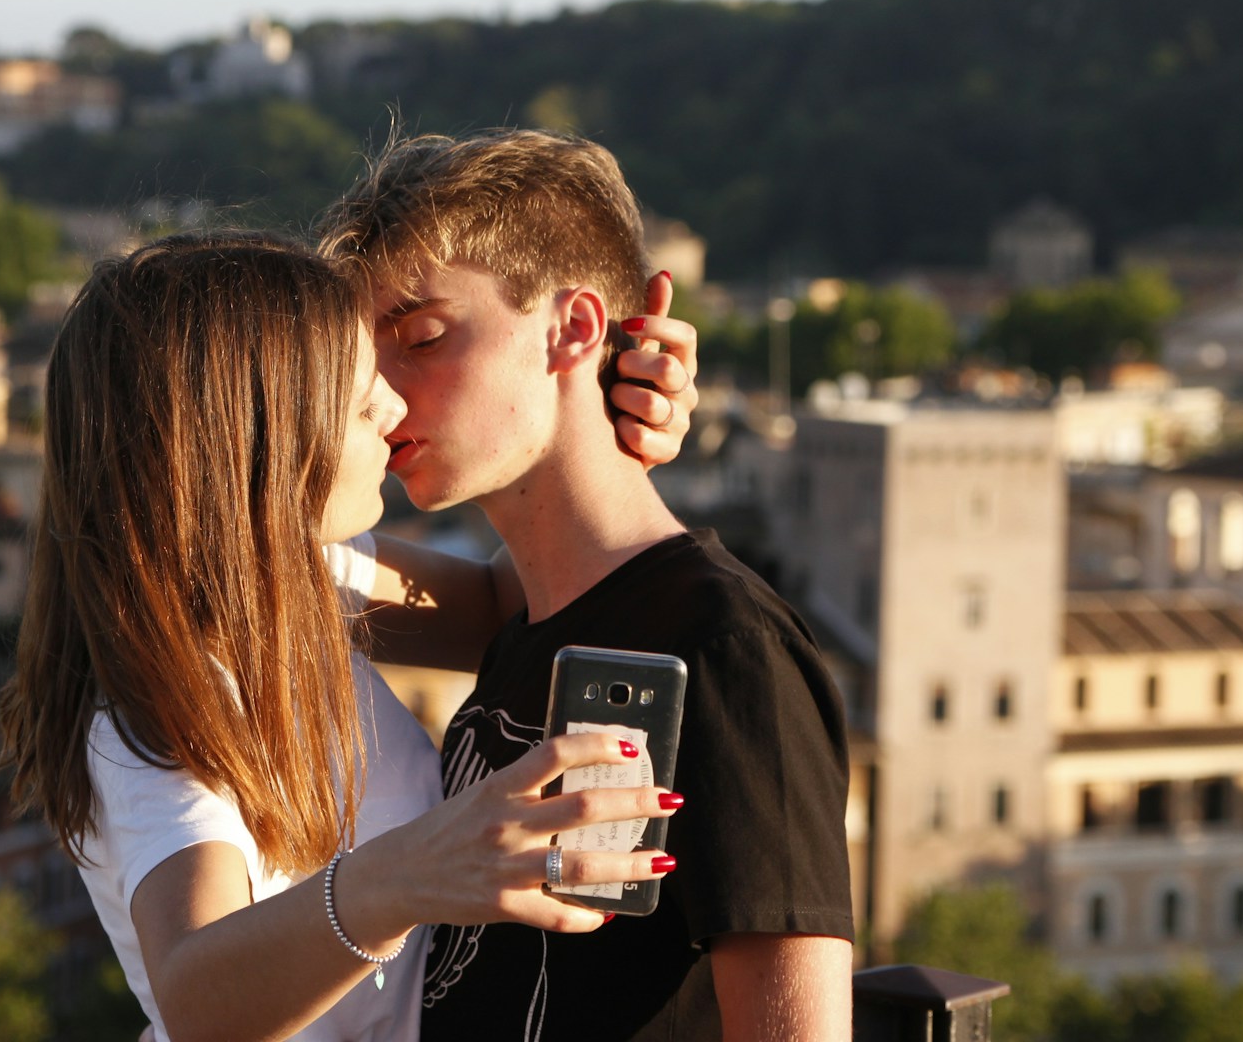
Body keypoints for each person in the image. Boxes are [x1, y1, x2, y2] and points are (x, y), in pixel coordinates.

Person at [0, 232, 699, 1042]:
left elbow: (515, 597)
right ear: (257, 444)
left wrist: (600, 422)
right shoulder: (159, 714)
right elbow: (195, 992)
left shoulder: (308, 578)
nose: (395, 409)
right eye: (364, 401)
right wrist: (411, 875)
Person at [319, 131, 856, 1042]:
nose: (383, 394)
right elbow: (257, 573)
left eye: (421, 337)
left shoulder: (723, 644)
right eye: (368, 358)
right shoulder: (527, 615)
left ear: (572, 328)